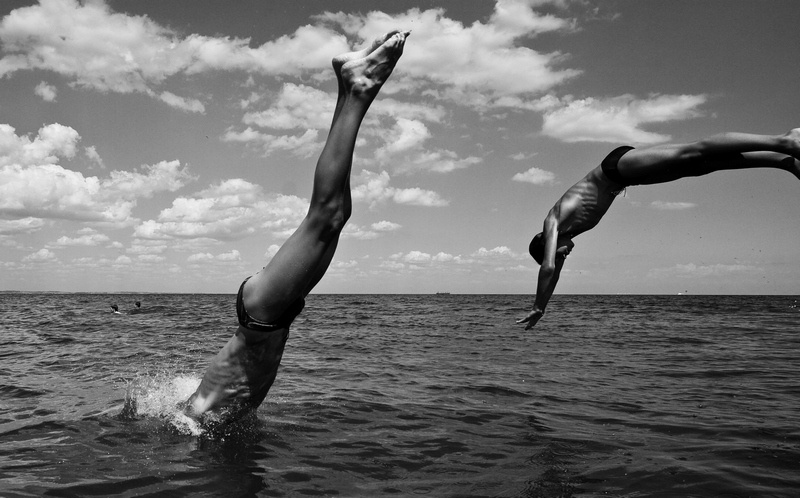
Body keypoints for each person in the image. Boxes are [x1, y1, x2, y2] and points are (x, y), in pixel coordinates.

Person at [183, 30, 410, 425]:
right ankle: (348, 84)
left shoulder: (198, 415)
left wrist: (186, 433)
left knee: (325, 215)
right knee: (338, 216)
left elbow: (190, 412)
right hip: (270, 315)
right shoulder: (207, 408)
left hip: (262, 315)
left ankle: (359, 90)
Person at [518, 129, 800, 329]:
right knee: (698, 167)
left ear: (546, 243)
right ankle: (783, 161)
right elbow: (554, 273)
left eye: (560, 254)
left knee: (693, 151)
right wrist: (543, 307)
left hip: (616, 168)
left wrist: (537, 306)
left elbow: (548, 268)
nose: (565, 255)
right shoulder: (569, 232)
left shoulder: (553, 222)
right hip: (627, 178)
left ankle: (785, 141)